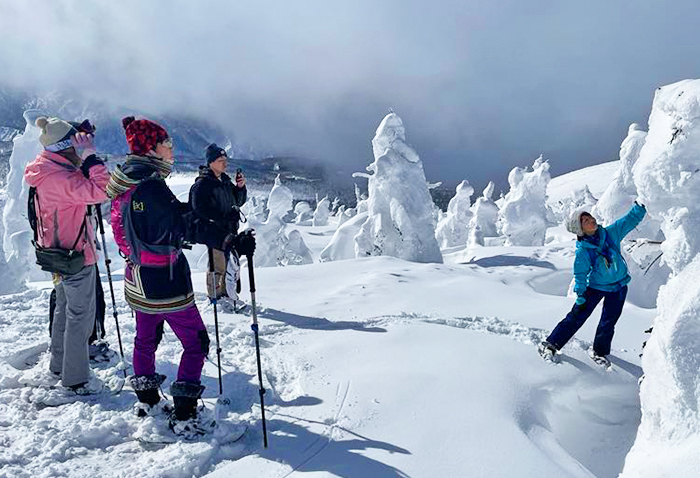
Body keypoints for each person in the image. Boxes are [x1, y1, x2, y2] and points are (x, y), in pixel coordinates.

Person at [107, 117, 255, 433]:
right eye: (168, 144)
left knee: (146, 338)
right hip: (165, 279)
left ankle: (148, 402)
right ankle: (185, 417)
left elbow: (167, 219)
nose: (173, 150)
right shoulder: (150, 187)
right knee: (197, 342)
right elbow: (181, 227)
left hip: (137, 275)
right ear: (151, 148)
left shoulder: (129, 180)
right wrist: (230, 240)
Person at [24, 116, 110, 394]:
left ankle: (59, 366)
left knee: (64, 310)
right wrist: (91, 157)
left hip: (56, 252)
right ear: (65, 147)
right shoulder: (61, 179)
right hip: (75, 255)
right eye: (76, 144)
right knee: (80, 317)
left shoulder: (45, 170)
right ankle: (76, 380)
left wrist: (81, 158)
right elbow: (102, 190)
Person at [539, 201, 647, 366]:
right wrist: (581, 293)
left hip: (618, 286)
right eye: (585, 221)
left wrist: (641, 206)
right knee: (577, 316)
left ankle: (600, 351)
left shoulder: (610, 233)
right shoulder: (584, 250)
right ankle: (552, 343)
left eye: (589, 217)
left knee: (608, 321)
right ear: (580, 229)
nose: (591, 220)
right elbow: (580, 273)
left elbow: (628, 220)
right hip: (595, 287)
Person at [188, 143, 247, 312]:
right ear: (211, 162)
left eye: (225, 159)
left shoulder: (225, 181)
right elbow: (199, 209)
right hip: (214, 233)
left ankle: (226, 296)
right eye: (221, 160)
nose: (225, 163)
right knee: (217, 264)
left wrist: (240, 188)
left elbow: (238, 201)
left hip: (228, 231)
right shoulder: (203, 184)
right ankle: (216, 298)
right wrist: (223, 217)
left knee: (229, 265)